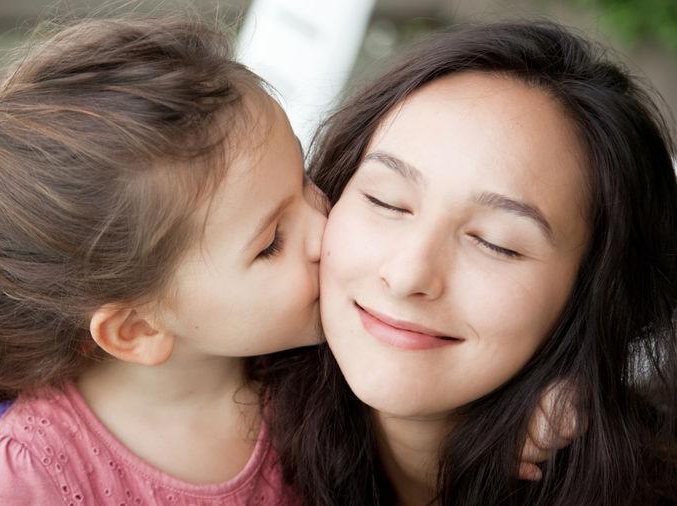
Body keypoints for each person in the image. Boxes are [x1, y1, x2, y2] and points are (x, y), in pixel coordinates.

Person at [264, 21, 677, 505]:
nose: (406, 276)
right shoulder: (213, 419)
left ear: (597, 293)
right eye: (386, 202)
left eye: (495, 243)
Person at [0, 17, 325, 505]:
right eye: (272, 243)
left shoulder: (327, 368)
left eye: (304, 179)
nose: (328, 229)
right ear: (137, 329)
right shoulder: (37, 471)